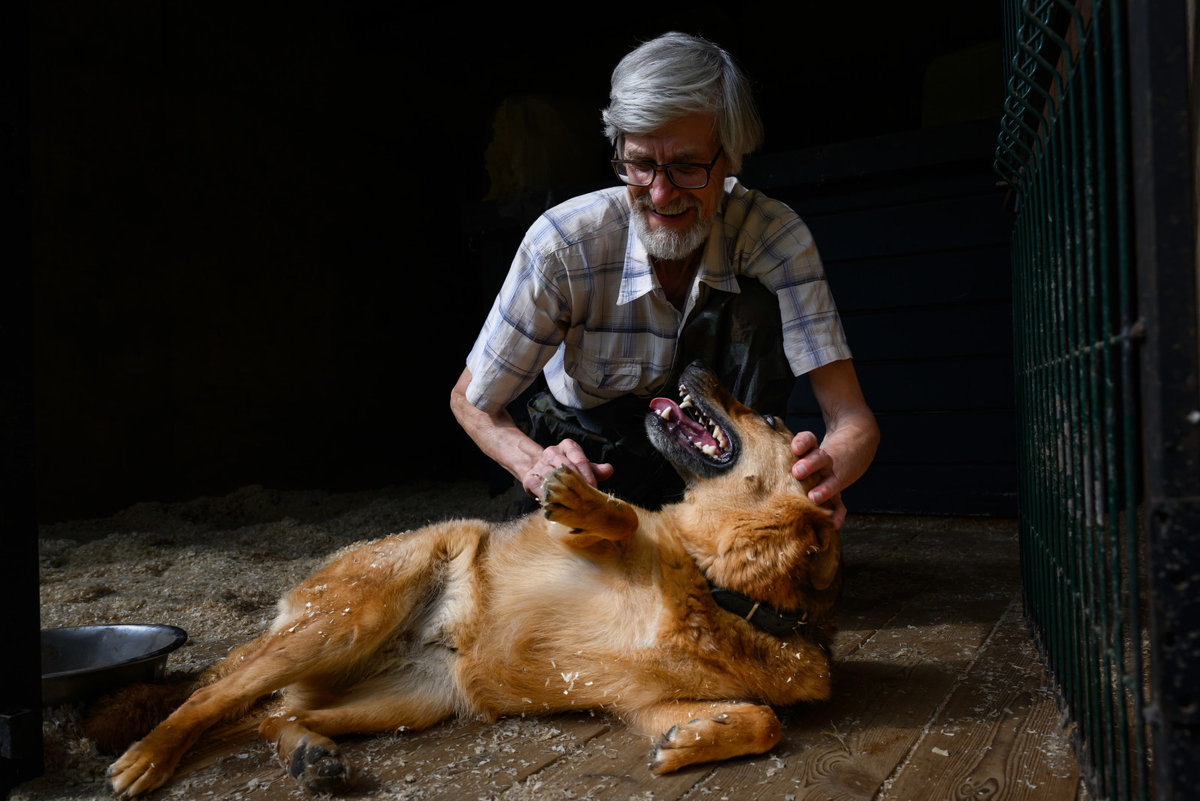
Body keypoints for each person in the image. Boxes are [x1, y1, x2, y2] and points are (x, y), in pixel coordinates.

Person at [451, 32, 879, 529]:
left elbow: (852, 420)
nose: (659, 194)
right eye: (640, 164)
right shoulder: (564, 246)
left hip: (722, 468)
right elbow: (471, 399)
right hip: (597, 460)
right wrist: (536, 464)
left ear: (730, 159)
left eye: (686, 166)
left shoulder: (776, 240)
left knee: (756, 305)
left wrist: (825, 474)